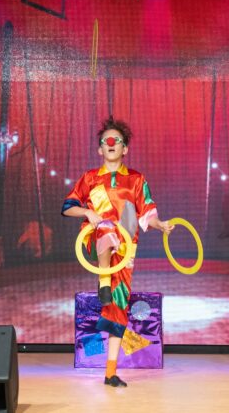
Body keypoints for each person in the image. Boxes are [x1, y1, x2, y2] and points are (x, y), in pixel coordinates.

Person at [62, 116, 174, 387]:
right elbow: (67, 207)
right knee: (107, 227)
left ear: (125, 148)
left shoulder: (136, 179)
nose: (111, 143)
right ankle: (103, 280)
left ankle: (110, 372)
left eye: (117, 140)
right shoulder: (89, 178)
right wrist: (87, 212)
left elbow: (147, 212)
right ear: (100, 149)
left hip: (124, 250)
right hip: (97, 239)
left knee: (117, 305)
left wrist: (161, 225)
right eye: (106, 140)